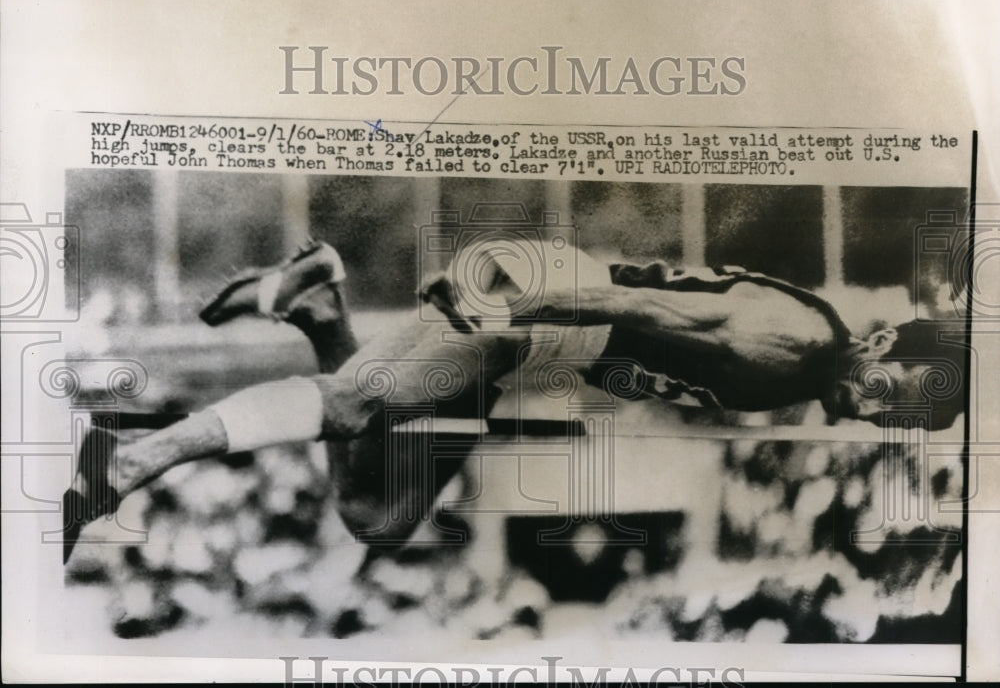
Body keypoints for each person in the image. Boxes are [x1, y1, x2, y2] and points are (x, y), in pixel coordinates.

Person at [63, 238, 966, 563]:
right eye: (894, 395)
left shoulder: (810, 372)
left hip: (549, 350)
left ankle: (317, 303)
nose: (877, 414)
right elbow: (635, 304)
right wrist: (503, 308)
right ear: (882, 343)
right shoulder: (798, 346)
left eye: (898, 419)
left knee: (378, 514)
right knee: (349, 407)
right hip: (544, 311)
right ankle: (134, 460)